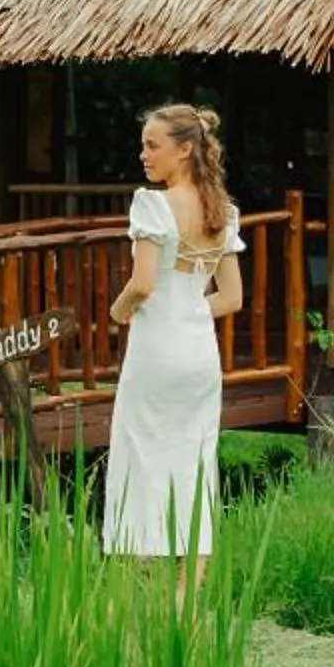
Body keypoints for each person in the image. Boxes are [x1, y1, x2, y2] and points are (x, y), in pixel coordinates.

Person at [104, 102, 244, 596]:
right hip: (199, 355)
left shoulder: (152, 204)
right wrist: (187, 311)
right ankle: (188, 595)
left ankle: (137, 580)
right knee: (195, 461)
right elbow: (231, 298)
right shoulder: (222, 212)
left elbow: (142, 284)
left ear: (184, 149)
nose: (143, 155)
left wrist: (116, 314)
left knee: (139, 454)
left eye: (152, 145)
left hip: (157, 351)